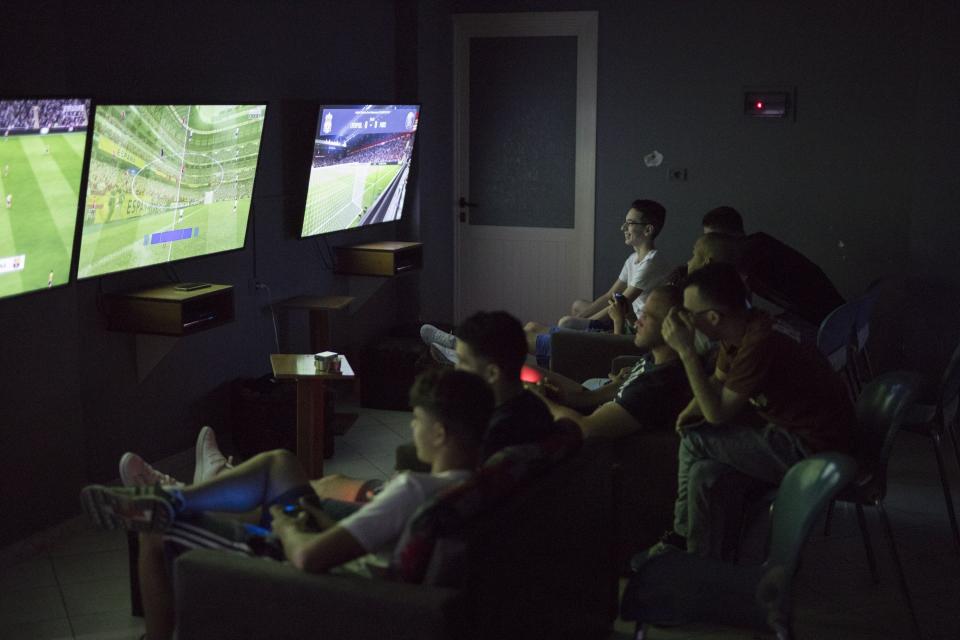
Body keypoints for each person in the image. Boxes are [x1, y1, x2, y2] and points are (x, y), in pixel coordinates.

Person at [80, 368, 494, 640]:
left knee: (153, 535)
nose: (411, 427)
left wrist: (287, 528)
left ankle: (168, 513)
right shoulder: (479, 485)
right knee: (280, 462)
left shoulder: (414, 491)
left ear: (439, 433)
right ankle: (175, 495)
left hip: (327, 576)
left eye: (417, 420)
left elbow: (310, 559)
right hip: (358, 555)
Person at [651, 262, 854, 557]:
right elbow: (718, 382)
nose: (684, 321)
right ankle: (704, 564)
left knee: (695, 439)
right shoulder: (745, 327)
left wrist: (686, 352)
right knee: (705, 474)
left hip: (816, 450)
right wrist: (688, 413)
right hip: (799, 434)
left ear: (712, 318)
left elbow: (717, 414)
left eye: (688, 314)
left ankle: (679, 541)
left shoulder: (759, 344)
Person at [530, 285, 691, 439]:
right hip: (594, 406)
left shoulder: (656, 385)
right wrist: (564, 398)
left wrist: (542, 401)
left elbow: (585, 429)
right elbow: (592, 397)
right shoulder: (653, 359)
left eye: (649, 317)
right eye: (642, 313)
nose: (637, 322)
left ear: (675, 326)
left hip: (585, 436)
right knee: (527, 372)